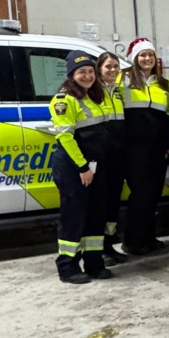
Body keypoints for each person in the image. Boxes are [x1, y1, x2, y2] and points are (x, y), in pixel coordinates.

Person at [48, 51, 114, 284]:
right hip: (75, 167)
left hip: (97, 166)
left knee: (96, 214)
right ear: (71, 75)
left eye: (90, 71)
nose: (87, 76)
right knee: (74, 216)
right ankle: (67, 266)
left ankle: (94, 262)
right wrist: (83, 167)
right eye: (81, 72)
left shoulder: (95, 96)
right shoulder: (64, 100)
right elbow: (66, 139)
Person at [121, 38, 169, 256]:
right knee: (141, 194)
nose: (147, 59)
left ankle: (149, 237)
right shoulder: (123, 80)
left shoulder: (163, 84)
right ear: (134, 58)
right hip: (134, 149)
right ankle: (132, 242)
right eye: (142, 55)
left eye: (150, 55)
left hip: (158, 149)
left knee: (154, 194)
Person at [95, 52, 128, 266]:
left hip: (117, 154)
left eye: (116, 66)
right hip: (101, 156)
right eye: (109, 66)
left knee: (113, 202)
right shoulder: (92, 92)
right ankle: (98, 251)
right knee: (100, 203)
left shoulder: (117, 90)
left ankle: (109, 244)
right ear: (99, 68)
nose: (113, 70)